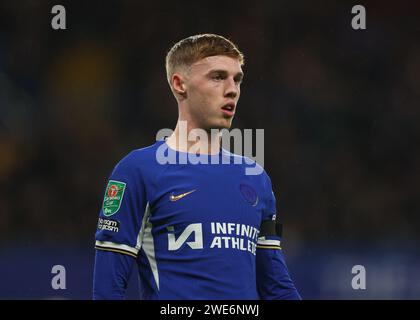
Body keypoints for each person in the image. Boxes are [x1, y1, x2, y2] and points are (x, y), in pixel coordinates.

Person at [93, 34, 301, 300]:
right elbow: (108, 289)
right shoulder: (138, 171)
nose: (232, 89)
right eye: (217, 77)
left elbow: (277, 286)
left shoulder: (257, 177)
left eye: (237, 79)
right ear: (180, 84)